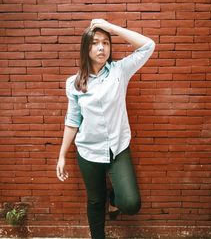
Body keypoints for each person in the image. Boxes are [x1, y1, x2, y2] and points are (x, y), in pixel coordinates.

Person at [56, 19, 155, 239]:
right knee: (94, 201)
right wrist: (62, 155)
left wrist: (111, 27)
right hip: (88, 152)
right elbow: (73, 119)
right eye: (95, 43)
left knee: (130, 203)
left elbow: (148, 45)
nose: (101, 47)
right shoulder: (74, 83)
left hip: (118, 149)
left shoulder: (120, 71)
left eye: (106, 43)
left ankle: (115, 199)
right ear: (86, 48)